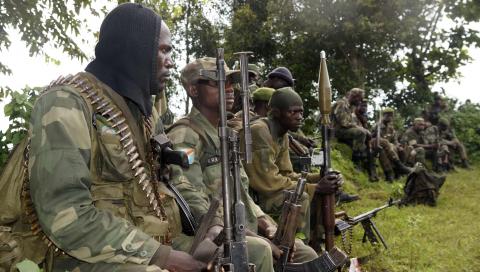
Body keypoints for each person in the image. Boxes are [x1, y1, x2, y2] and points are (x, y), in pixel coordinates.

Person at [28, 4, 206, 271]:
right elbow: (64, 216)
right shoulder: (67, 104)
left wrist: (209, 224)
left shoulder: (145, 115)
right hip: (83, 253)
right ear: (136, 47)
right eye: (164, 50)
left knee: (248, 251)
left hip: (144, 239)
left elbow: (173, 179)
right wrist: (161, 256)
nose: (170, 61)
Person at [167, 57, 320, 271]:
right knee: (259, 251)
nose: (229, 89)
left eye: (231, 82)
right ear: (193, 90)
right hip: (207, 235)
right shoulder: (185, 135)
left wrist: (267, 225)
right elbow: (189, 195)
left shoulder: (227, 136)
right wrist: (249, 235)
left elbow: (242, 193)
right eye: (217, 82)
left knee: (307, 255)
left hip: (242, 229)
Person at [243, 87, 347, 243]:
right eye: (293, 112)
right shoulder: (259, 132)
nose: (299, 117)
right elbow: (269, 183)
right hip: (253, 200)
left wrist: (319, 178)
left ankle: (316, 242)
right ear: (276, 112)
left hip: (267, 194)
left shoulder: (281, 134)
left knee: (318, 191)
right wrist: (315, 187)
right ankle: (295, 247)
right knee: (300, 197)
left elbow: (286, 174)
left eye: (301, 112)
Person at [332, 88, 371, 168]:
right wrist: (361, 129)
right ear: (355, 97)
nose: (360, 102)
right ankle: (356, 161)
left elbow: (351, 122)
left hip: (343, 130)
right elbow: (344, 123)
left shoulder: (350, 107)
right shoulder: (342, 104)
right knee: (361, 133)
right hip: (336, 131)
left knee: (364, 134)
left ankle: (366, 160)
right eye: (359, 100)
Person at [370, 108, 411, 181]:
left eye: (391, 116)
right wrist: (375, 132)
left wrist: (398, 146)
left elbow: (395, 140)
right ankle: (391, 172)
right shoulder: (377, 126)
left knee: (401, 149)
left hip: (390, 149)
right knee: (383, 150)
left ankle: (399, 171)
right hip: (379, 147)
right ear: (383, 116)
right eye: (388, 115)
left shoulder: (391, 128)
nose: (390, 117)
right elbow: (372, 138)